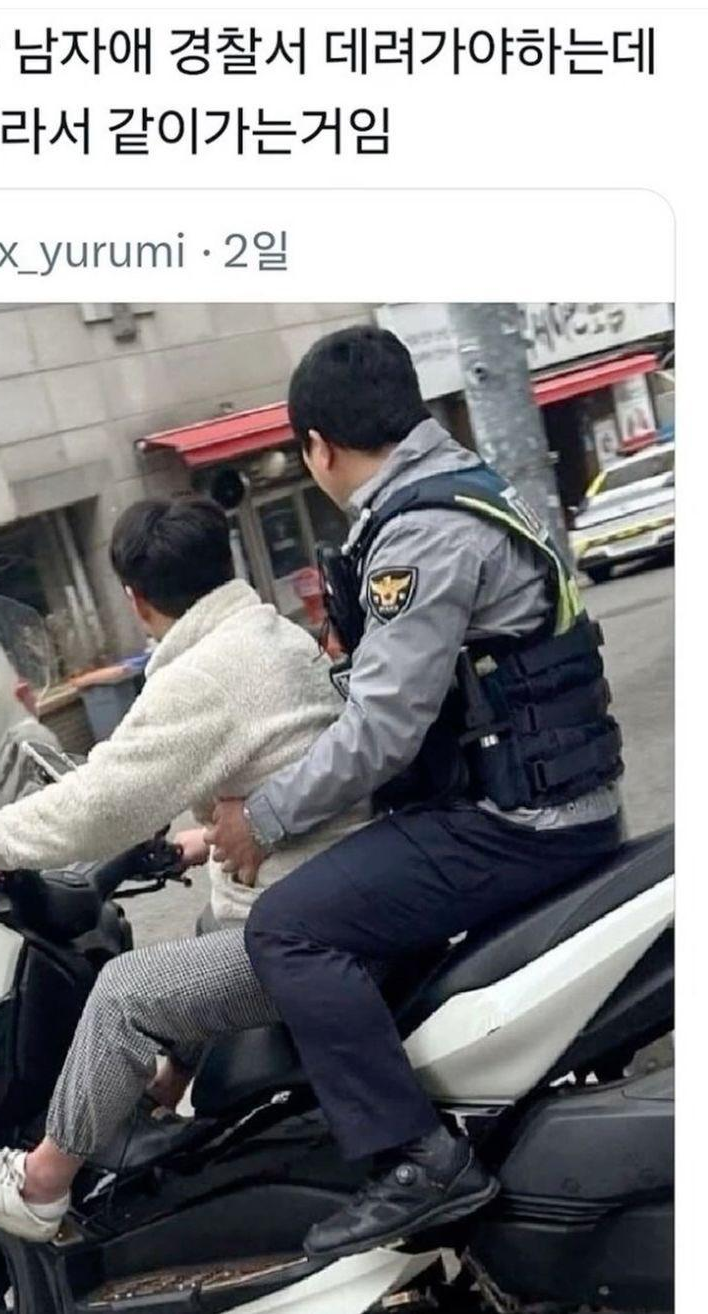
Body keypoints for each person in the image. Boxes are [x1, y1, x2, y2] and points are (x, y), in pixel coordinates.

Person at [206, 325, 624, 1260]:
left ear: (318, 447)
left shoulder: (421, 532)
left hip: (519, 822)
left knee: (289, 927)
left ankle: (419, 1159)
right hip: (539, 797)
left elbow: (384, 731)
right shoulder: (464, 487)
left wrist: (262, 821)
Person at [0, 496, 368, 1241]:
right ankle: (164, 1091)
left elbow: (103, 803)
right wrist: (197, 839)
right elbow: (277, 760)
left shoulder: (206, 674)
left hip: (306, 931)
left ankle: (40, 1185)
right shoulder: (269, 633)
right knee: (206, 921)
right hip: (335, 887)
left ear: (135, 598)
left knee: (124, 992)